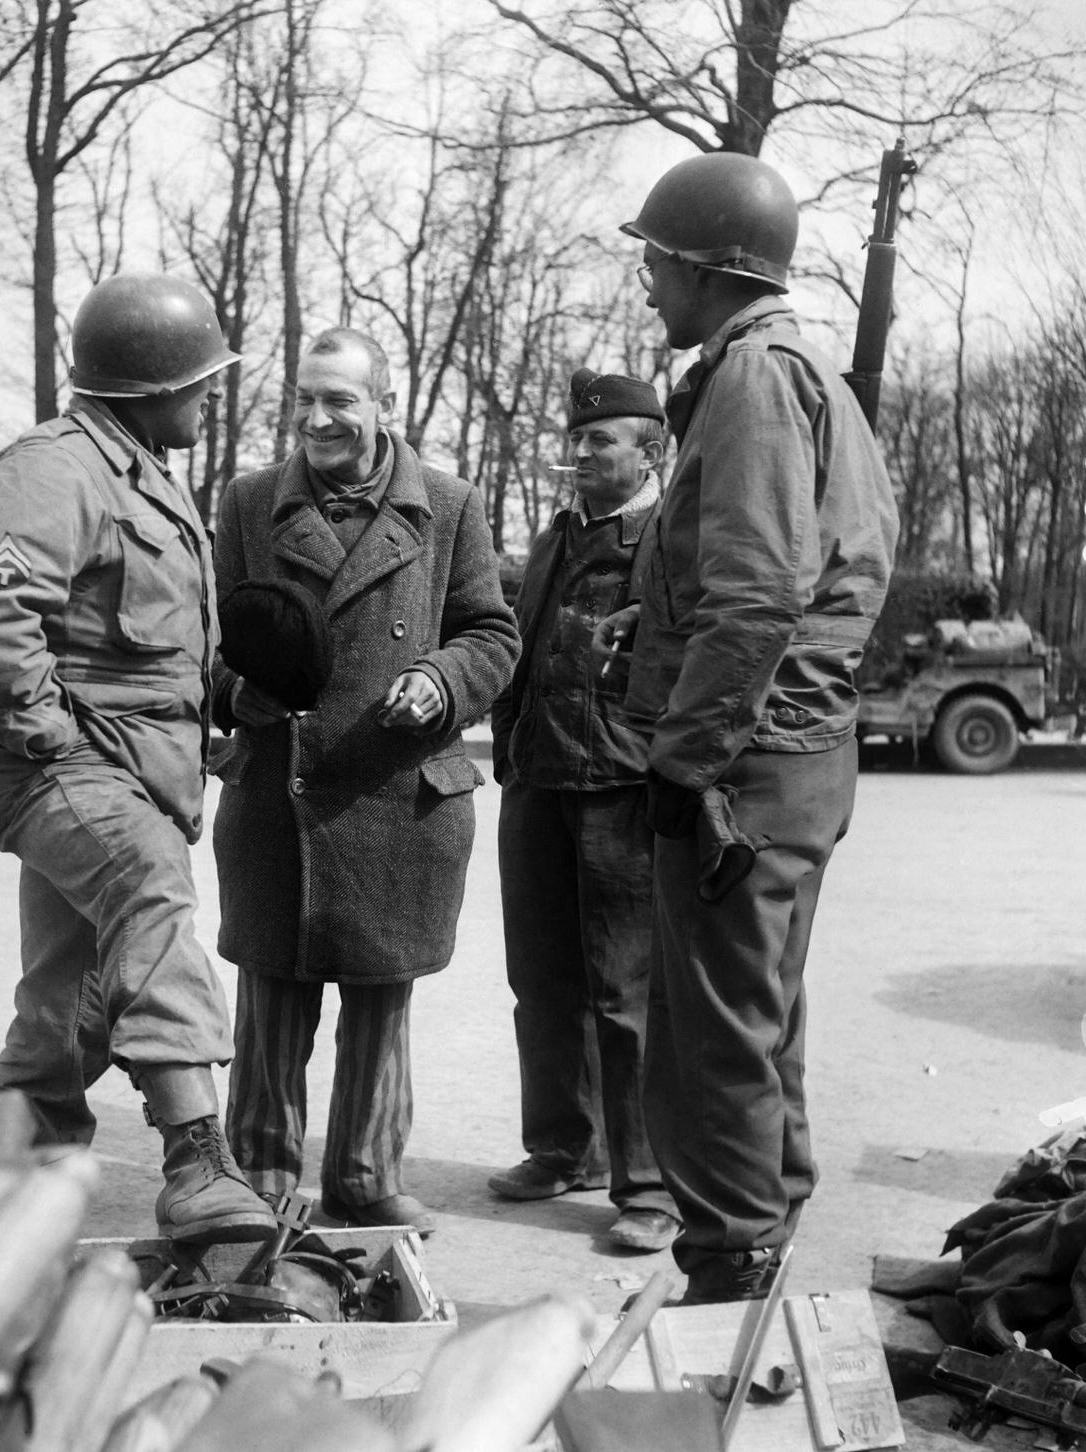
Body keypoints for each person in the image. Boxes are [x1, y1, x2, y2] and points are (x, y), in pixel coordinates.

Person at [0, 272, 275, 1245]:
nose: (209, 399)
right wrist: (51, 739)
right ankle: (198, 1162)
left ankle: (7, 1175)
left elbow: (144, 648)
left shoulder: (142, 476)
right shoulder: (56, 467)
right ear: (152, 386)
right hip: (61, 768)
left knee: (72, 992)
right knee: (149, 891)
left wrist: (217, 708)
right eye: (201, 383)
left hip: (125, 767)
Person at [612, 153, 900, 1302]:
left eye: (653, 264)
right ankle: (758, 1243)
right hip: (791, 750)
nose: (646, 286)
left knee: (706, 1041)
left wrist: (682, 757)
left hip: (744, 762)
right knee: (754, 1020)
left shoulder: (751, 379)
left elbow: (756, 591)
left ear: (702, 268)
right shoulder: (800, 371)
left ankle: (730, 1274)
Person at [209, 326, 520, 1237]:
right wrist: (235, 692)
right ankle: (262, 1173)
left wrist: (443, 679)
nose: (318, 418)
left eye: (340, 399)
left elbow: (493, 635)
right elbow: (209, 641)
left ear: (385, 403)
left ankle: (365, 1174)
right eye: (305, 399)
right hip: (280, 788)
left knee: (382, 1000)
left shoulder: (451, 507)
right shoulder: (249, 503)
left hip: (396, 792)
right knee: (270, 997)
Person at [489, 369, 680, 1254]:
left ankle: (647, 1184)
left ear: (650, 451)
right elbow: (516, 649)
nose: (578, 453)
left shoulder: (671, 538)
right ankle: (561, 1149)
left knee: (625, 993)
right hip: (537, 781)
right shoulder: (554, 535)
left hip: (619, 786)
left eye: (599, 441)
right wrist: (508, 741)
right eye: (576, 439)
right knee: (541, 983)